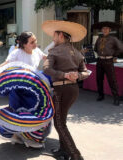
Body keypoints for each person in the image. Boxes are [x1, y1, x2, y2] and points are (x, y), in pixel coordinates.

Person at [42, 20, 91, 160]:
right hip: (73, 90)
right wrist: (77, 75)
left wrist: (64, 75)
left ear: (61, 35)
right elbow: (86, 72)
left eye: (54, 35)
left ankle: (75, 155)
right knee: (61, 119)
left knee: (59, 122)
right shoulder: (77, 52)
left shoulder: (54, 51)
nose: (53, 38)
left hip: (61, 90)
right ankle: (63, 150)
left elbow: (46, 69)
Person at [93, 22, 123, 105]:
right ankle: (100, 95)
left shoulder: (113, 39)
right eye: (103, 28)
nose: (104, 30)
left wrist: (113, 54)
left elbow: (121, 48)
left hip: (109, 61)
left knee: (112, 80)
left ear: (109, 30)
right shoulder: (99, 39)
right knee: (99, 79)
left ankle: (116, 98)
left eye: (106, 28)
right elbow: (95, 49)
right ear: (101, 30)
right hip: (100, 61)